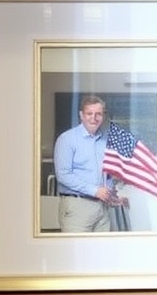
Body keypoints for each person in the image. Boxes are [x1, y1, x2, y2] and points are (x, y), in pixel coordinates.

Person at [52, 94, 126, 233]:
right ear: (81, 115)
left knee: (101, 253)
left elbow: (106, 173)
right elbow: (63, 175)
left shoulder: (105, 140)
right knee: (76, 253)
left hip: (102, 209)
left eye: (98, 114)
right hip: (77, 207)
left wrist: (112, 195)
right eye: (89, 113)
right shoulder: (67, 139)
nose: (94, 117)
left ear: (103, 116)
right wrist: (95, 191)